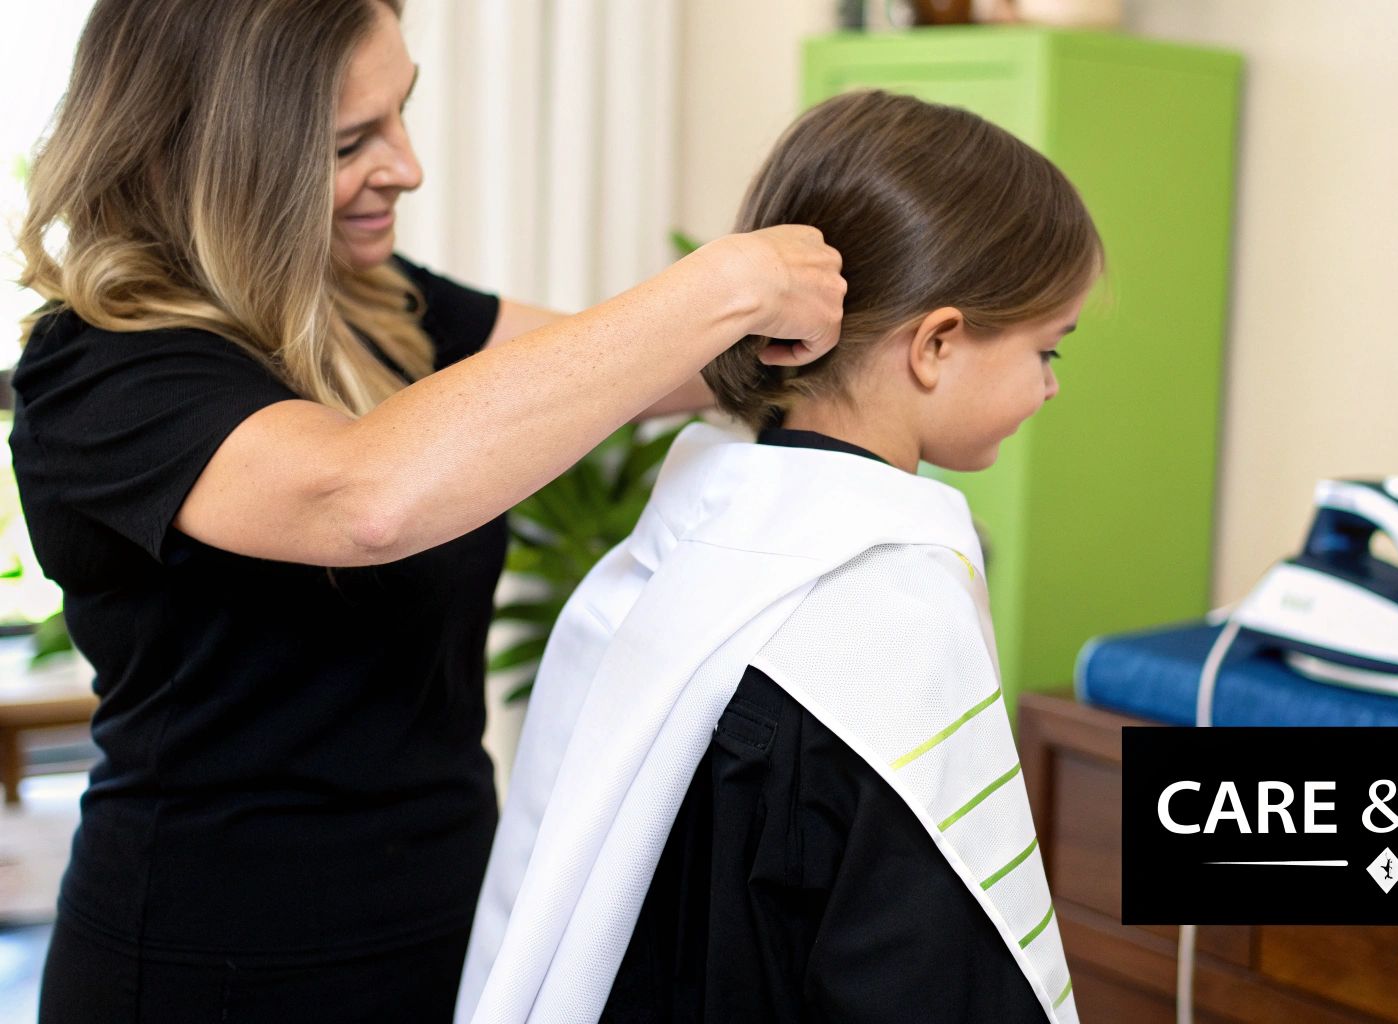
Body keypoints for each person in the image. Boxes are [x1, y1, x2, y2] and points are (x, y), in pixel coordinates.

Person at [9, 1, 843, 1020]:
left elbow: (626, 371)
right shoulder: (100, 368)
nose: (406, 166)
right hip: (211, 965)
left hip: (440, 925)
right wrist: (722, 285)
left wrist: (843, 318)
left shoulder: (378, 304)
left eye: (402, 112)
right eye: (351, 142)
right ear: (210, 157)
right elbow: (362, 497)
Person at [458, 90, 1102, 1024]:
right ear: (938, 344)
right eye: (1049, 349)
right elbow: (926, 977)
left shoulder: (689, 539)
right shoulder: (888, 616)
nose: (1048, 387)